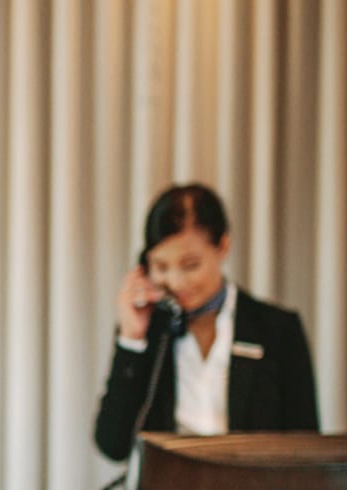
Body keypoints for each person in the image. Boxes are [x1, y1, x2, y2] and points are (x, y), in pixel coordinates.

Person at [93, 183, 320, 462]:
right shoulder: (148, 331)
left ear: (223, 245)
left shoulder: (277, 330)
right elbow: (112, 446)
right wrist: (132, 339)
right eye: (161, 267)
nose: (176, 282)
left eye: (190, 265)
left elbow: (306, 448)